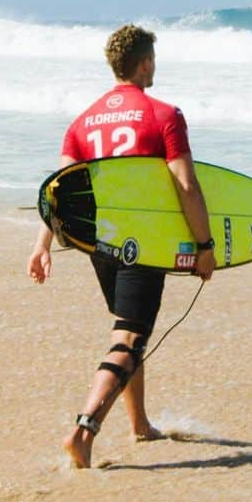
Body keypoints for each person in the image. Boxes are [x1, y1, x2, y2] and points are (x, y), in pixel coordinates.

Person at [27, 23, 215, 468]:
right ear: (145, 63)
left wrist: (43, 245)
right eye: (154, 60)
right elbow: (187, 185)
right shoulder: (164, 115)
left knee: (130, 328)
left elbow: (62, 193)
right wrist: (204, 245)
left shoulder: (82, 122)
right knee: (129, 335)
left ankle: (139, 424)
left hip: (101, 243)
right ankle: (83, 430)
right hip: (145, 242)